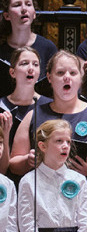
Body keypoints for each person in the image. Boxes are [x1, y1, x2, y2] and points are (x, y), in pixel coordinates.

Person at [11, 51, 87, 179]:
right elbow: (13, 165)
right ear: (49, 77)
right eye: (60, 73)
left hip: (86, 194)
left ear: (80, 77)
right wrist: (27, 161)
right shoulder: (34, 115)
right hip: (43, 195)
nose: (67, 77)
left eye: (73, 73)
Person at [0, 0, 58, 95]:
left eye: (28, 4)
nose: (24, 9)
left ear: (34, 13)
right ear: (7, 15)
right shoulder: (1, 51)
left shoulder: (48, 48)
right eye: (17, 5)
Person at [1, 46, 45, 175]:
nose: (31, 68)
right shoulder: (2, 106)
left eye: (35, 64)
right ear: (12, 72)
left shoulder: (49, 106)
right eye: (24, 63)